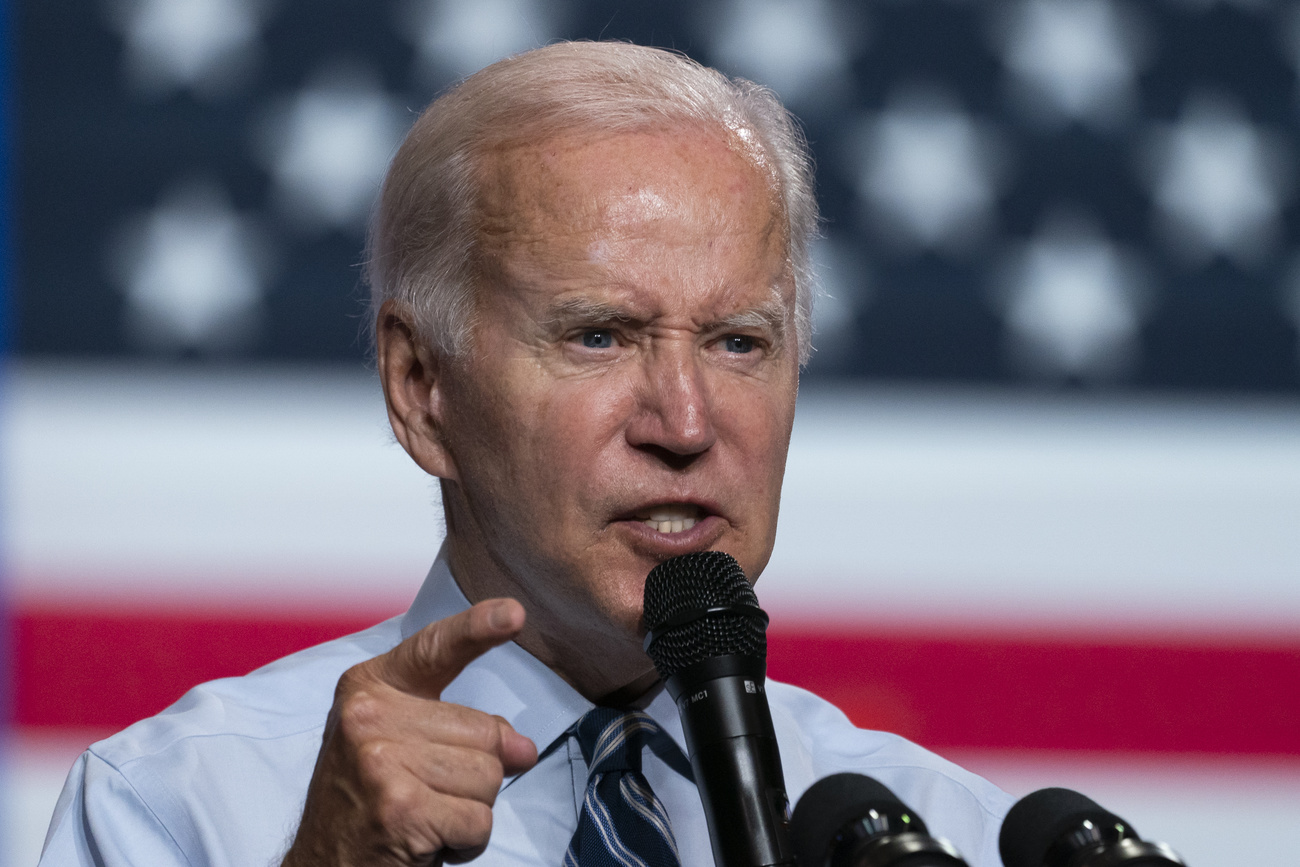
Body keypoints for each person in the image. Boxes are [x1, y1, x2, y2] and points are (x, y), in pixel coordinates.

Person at [41, 41, 1014, 866]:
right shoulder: (178, 806)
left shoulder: (945, 835)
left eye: (738, 343)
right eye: (599, 336)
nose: (683, 425)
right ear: (420, 386)